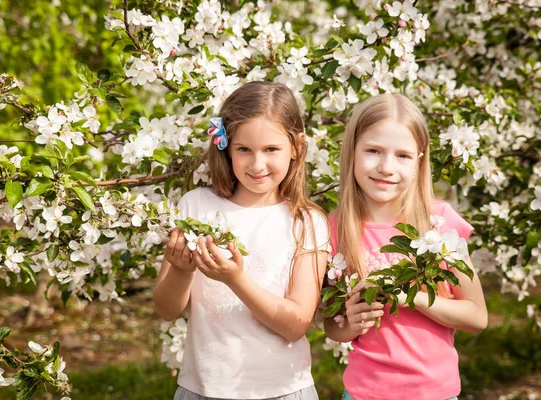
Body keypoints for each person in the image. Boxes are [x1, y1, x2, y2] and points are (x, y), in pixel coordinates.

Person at [153, 81, 329, 400]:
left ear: (296, 149)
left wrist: (236, 280)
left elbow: (296, 324)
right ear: (226, 147)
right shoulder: (196, 208)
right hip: (204, 389)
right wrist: (180, 271)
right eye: (243, 149)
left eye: (271, 150)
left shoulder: (307, 223)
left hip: (283, 391)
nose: (257, 164)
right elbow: (166, 309)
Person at [324, 94, 488, 400]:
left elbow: (477, 317)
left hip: (434, 393)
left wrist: (407, 296)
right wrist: (350, 324)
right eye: (373, 151)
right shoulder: (333, 229)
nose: (386, 167)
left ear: (419, 162)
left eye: (402, 155)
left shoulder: (439, 224)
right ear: (352, 152)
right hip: (364, 393)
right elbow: (331, 324)